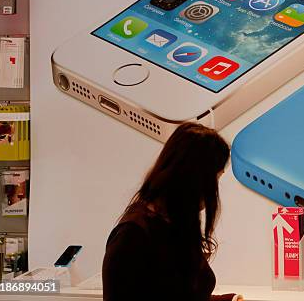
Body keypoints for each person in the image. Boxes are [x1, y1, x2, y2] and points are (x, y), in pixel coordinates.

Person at [102, 123, 242, 301]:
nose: (214, 191)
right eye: (215, 178)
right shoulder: (132, 236)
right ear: (195, 177)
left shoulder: (177, 224)